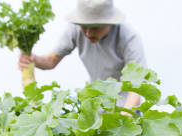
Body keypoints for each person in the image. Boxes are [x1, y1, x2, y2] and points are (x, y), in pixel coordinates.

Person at [18, 0, 146, 110]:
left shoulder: (129, 39)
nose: (88, 33)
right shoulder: (75, 29)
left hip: (125, 106)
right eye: (84, 27)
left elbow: (136, 89)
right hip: (95, 108)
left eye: (95, 27)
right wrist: (33, 59)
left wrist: (123, 120)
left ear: (110, 23)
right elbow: (51, 61)